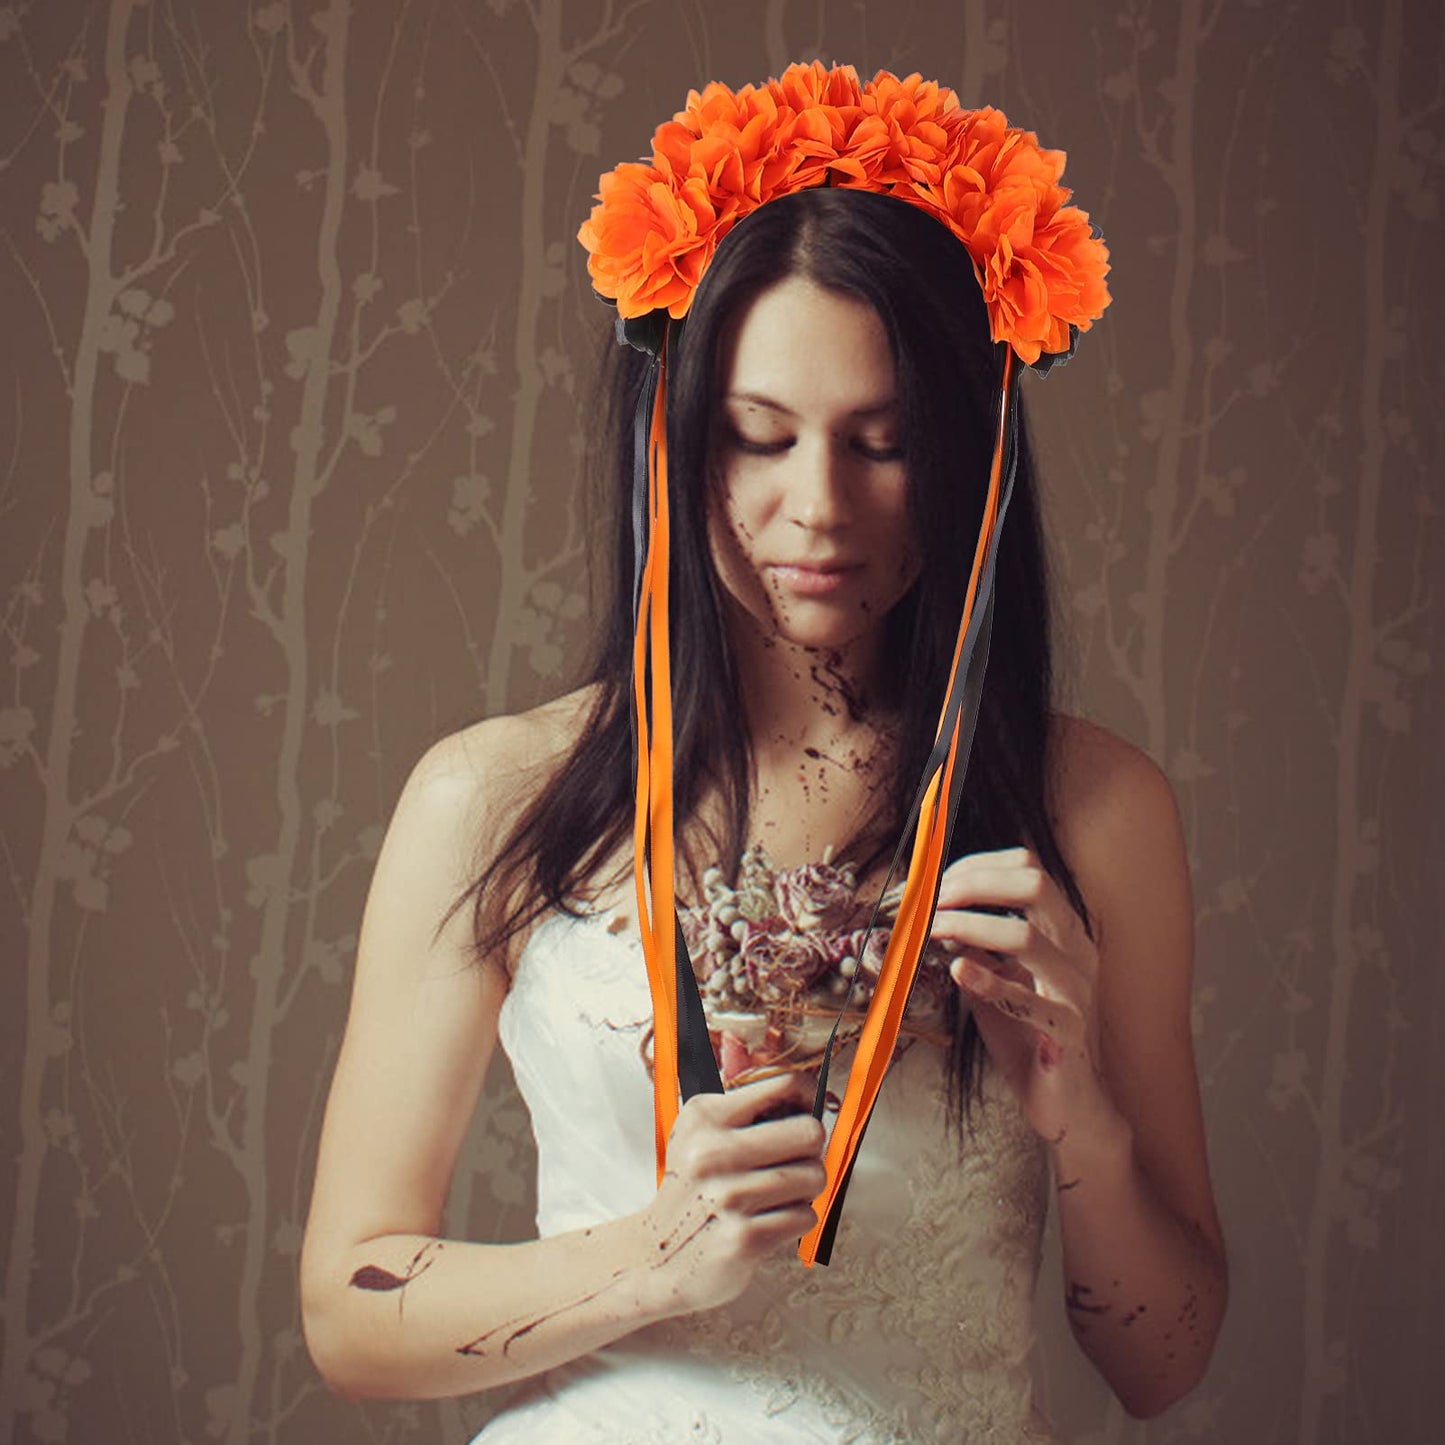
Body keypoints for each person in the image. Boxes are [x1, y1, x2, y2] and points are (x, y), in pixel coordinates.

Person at [299, 63, 1227, 1443]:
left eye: (885, 442)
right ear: (671, 442)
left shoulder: (1095, 809)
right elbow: (348, 1315)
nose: (818, 507)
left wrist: (1080, 1116)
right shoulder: (493, 797)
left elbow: (1162, 1367)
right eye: (756, 437)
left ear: (969, 451)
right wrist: (649, 1257)